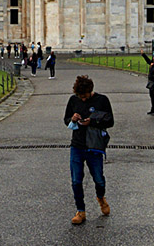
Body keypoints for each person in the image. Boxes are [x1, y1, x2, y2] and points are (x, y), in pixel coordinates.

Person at [63, 74, 114, 225]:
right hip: (77, 144)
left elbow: (110, 121)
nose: (82, 99)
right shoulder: (73, 100)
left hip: (94, 146)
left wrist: (93, 121)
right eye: (80, 96)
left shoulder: (102, 100)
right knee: (76, 180)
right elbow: (66, 119)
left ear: (90, 91)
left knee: (99, 179)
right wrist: (72, 119)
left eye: (84, 96)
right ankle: (80, 211)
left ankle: (101, 197)